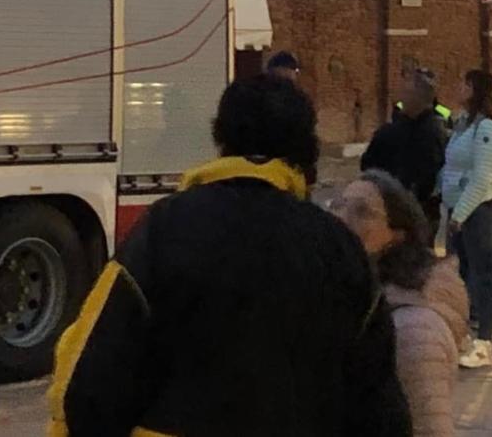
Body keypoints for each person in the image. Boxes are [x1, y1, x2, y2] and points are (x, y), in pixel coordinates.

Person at [47, 75, 410, 437]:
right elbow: (378, 406)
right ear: (305, 151)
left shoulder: (163, 229)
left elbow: (90, 383)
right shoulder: (340, 250)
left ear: (221, 141)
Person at [333, 172, 467, 437]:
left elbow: (430, 427)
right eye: (338, 205)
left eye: (362, 212)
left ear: (398, 234)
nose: (341, 218)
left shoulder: (412, 326)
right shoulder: (360, 302)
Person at [439, 69, 492, 369]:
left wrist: (460, 215)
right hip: (458, 211)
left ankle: (485, 343)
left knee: (482, 277)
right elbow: (452, 166)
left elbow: (481, 178)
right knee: (460, 276)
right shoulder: (463, 124)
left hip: (478, 213)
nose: (459, 87)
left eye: (465, 83)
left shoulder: (487, 130)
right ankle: (465, 336)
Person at [361, 67, 448, 241]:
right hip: (397, 209)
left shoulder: (430, 133)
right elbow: (368, 165)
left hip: (418, 212)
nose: (401, 99)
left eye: (405, 94)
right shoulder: (393, 131)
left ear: (418, 97)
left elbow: (431, 175)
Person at [393, 64, 454, 131]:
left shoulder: (444, 112)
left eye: (426, 86)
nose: (421, 90)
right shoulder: (399, 107)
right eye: (417, 85)